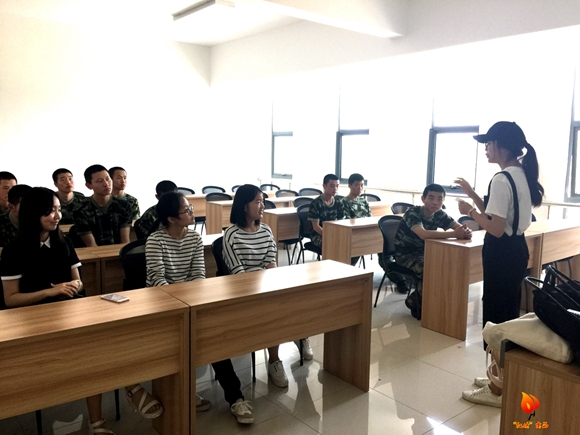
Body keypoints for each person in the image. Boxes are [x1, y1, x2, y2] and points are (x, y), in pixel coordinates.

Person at [0, 187, 163, 434]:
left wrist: (74, 286)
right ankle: (128, 390)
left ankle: (100, 419)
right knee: (94, 351)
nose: (57, 216)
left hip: (69, 314)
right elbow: (11, 299)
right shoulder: (14, 251)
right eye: (50, 211)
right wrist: (50, 292)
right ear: (33, 214)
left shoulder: (62, 242)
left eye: (58, 210)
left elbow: (78, 281)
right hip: (33, 323)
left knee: (102, 342)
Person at [145, 191, 254, 424]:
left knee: (213, 341)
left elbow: (198, 276)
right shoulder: (155, 240)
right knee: (181, 346)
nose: (192, 212)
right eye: (187, 210)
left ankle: (236, 398)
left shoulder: (194, 238)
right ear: (171, 219)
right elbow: (158, 280)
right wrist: (182, 305)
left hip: (191, 303)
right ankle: (181, 393)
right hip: (163, 307)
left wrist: (191, 303)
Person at [456, 121, 544, 407]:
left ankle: (497, 390)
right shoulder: (520, 174)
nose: (485, 149)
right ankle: (499, 375)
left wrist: (469, 211)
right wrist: (472, 195)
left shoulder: (502, 179)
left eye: (488, 144)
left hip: (502, 252)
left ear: (502, 146)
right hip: (516, 249)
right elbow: (498, 215)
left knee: (497, 315)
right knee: (506, 313)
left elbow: (494, 227)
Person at [223, 185, 312, 387]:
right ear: (244, 206)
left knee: (298, 296)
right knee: (273, 309)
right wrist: (262, 288)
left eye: (263, 201)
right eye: (258, 202)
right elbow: (238, 274)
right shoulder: (231, 235)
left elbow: (271, 263)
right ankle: (274, 360)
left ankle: (301, 334)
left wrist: (272, 284)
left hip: (267, 285)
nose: (262, 205)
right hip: (245, 291)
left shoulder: (266, 230)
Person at [394, 183, 472, 319]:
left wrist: (466, 231)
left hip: (427, 252)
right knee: (431, 269)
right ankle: (416, 302)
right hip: (405, 255)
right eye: (431, 198)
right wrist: (455, 234)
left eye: (440, 199)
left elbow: (459, 227)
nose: (435, 202)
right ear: (423, 199)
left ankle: (425, 302)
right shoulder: (413, 213)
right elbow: (423, 234)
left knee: (447, 266)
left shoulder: (439, 214)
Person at [73, 165, 132, 247]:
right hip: (93, 253)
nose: (106, 184)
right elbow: (91, 245)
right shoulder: (81, 209)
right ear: (89, 185)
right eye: (100, 181)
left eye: (108, 179)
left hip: (119, 252)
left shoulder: (123, 206)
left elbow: (125, 241)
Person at [308, 174, 344, 248]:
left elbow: (342, 222)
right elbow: (316, 227)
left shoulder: (339, 202)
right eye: (332, 186)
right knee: (331, 243)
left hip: (333, 232)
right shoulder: (316, 203)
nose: (335, 189)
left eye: (337, 186)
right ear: (324, 186)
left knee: (347, 242)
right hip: (318, 234)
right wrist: (330, 235)